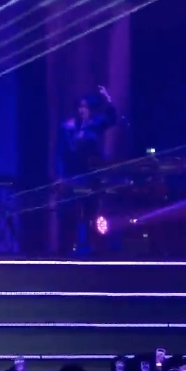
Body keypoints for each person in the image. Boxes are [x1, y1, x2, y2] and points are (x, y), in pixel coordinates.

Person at [55, 86, 116, 254]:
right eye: (80, 107)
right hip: (71, 175)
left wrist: (107, 98)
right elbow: (61, 152)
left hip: (91, 175)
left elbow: (112, 118)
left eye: (86, 107)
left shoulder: (95, 125)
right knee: (69, 212)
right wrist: (60, 176)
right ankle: (68, 247)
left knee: (91, 211)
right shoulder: (67, 127)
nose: (82, 110)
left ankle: (92, 246)